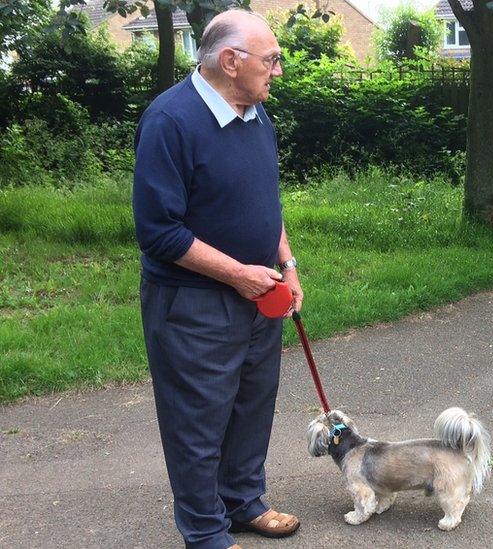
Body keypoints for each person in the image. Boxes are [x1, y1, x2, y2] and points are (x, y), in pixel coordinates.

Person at [132, 9, 302, 548]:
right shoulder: (170, 122)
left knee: (252, 408)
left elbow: (265, 204)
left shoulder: (257, 117)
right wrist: (236, 275)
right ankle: (206, 532)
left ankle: (243, 503)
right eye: (271, 59)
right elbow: (158, 231)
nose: (278, 69)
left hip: (260, 295)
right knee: (197, 424)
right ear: (231, 61)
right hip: (193, 303)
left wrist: (288, 266)